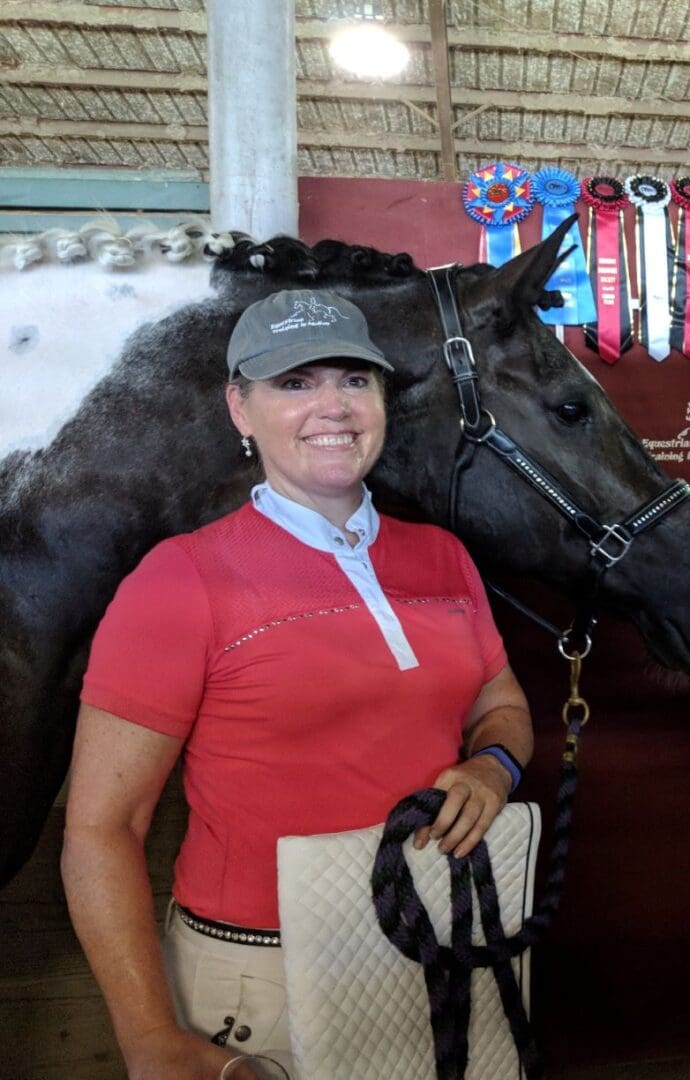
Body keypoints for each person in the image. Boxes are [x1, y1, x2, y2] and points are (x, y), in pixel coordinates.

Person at [61, 289, 534, 1079]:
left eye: (355, 380)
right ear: (239, 409)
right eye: (295, 382)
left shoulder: (442, 557)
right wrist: (148, 1038)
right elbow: (101, 829)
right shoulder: (181, 579)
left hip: (443, 939)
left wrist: (495, 765)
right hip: (261, 975)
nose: (334, 407)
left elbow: (503, 705)